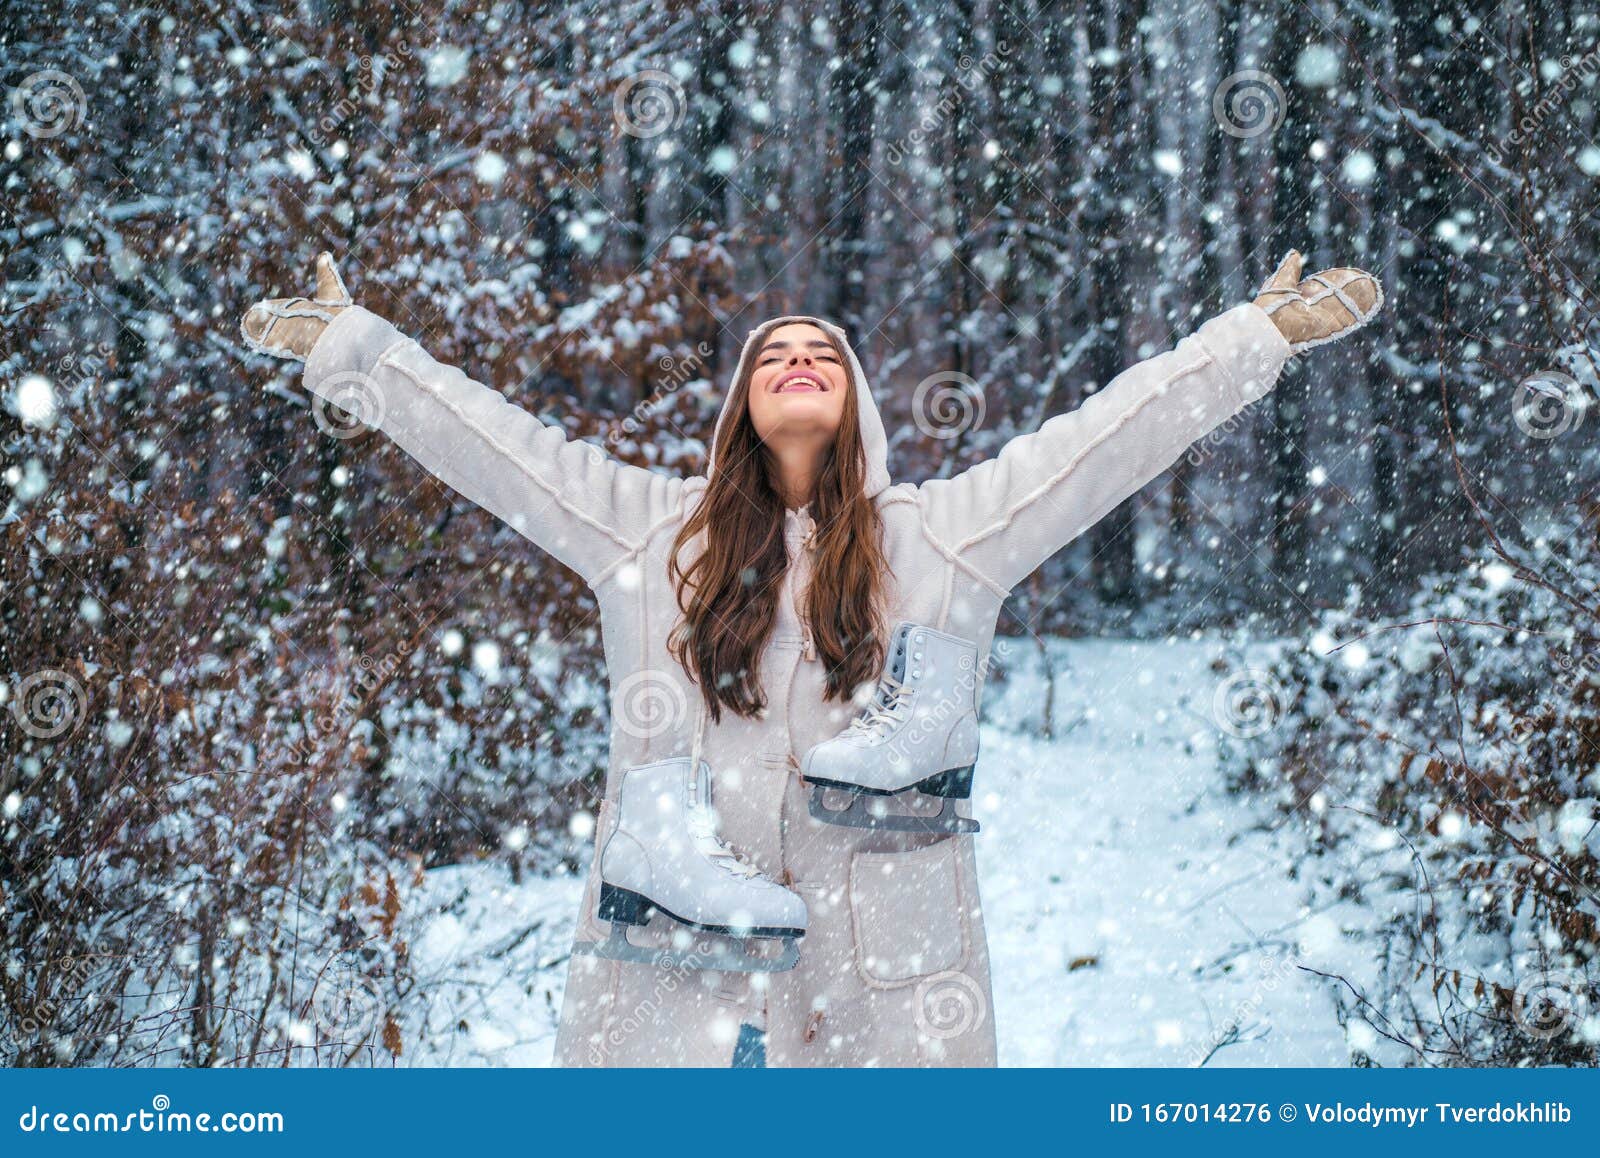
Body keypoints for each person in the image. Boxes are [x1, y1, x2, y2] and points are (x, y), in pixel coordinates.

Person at [242, 248, 1381, 1066]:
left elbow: (1105, 441)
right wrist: (356, 352)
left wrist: (1254, 338)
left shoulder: (939, 539)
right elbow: (493, 445)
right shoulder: (649, 533)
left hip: (883, 973)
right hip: (680, 976)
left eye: (819, 352)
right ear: (740, 403)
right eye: (773, 354)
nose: (796, 359)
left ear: (858, 401)